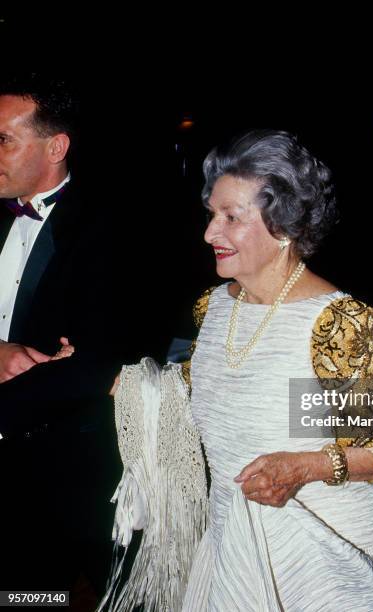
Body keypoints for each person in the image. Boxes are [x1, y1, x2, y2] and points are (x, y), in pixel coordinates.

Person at [177, 129, 373, 610]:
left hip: (321, 558)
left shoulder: (337, 322)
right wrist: (90, 373)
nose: (210, 232)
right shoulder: (212, 308)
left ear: (285, 226)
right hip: (231, 544)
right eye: (212, 215)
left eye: (231, 217)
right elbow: (198, 390)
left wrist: (304, 466)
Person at [0, 73, 166, 593]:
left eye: (4, 139)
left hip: (77, 470)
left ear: (57, 146)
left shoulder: (116, 226)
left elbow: (106, 358)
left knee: (110, 595)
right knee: (24, 595)